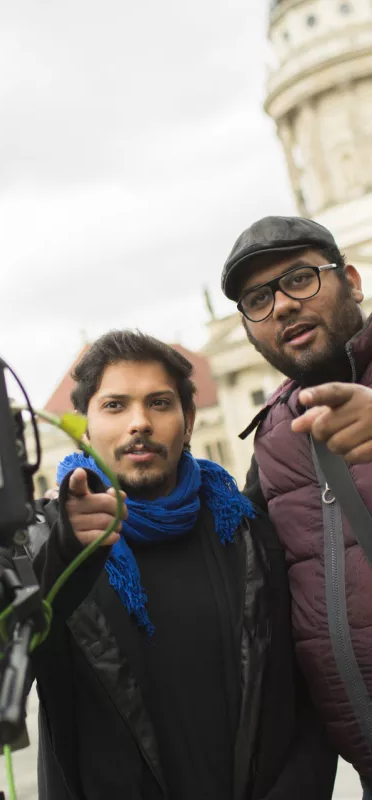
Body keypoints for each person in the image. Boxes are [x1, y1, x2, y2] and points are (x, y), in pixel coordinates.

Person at [24, 330, 335, 800]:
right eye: (114, 406)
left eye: (159, 403)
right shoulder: (44, 545)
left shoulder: (252, 535)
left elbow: (305, 697)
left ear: (189, 422)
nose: (139, 423)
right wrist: (59, 556)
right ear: (84, 428)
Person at [221, 215, 372, 796]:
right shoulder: (274, 438)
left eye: (301, 279)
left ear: (352, 281)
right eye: (259, 299)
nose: (282, 306)